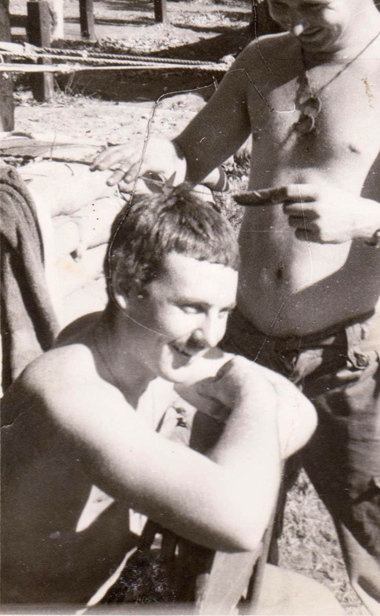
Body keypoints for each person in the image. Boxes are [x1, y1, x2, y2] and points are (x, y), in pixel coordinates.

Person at [92, 0, 380, 615]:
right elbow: (190, 154)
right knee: (208, 559)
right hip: (242, 352)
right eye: (275, 1)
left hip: (356, 364)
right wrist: (166, 166)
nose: (291, 22)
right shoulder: (260, 62)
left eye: (312, 6)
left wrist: (364, 218)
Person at [1, 188, 317, 606]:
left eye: (223, 312)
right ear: (127, 289)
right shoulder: (72, 390)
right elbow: (239, 521)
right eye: (191, 307)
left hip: (94, 594)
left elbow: (301, 411)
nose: (211, 336)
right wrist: (252, 394)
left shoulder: (140, 345)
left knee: (311, 601)